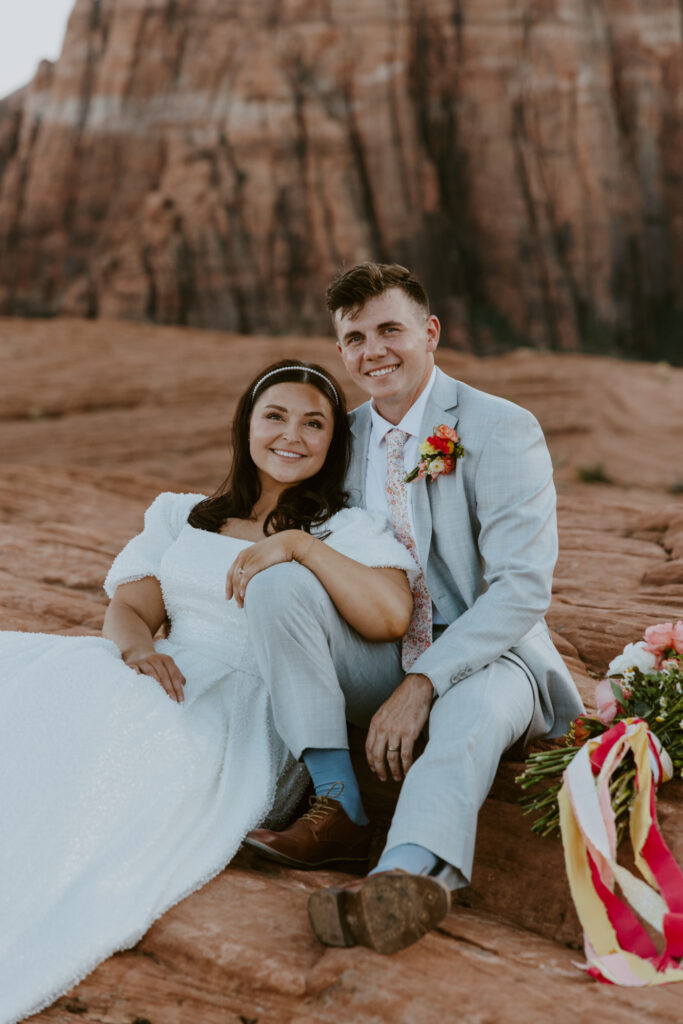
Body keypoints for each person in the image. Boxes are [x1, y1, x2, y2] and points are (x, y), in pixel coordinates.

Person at [0, 359, 416, 1024]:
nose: (292, 435)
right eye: (275, 416)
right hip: (158, 668)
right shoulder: (180, 514)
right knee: (42, 707)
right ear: (246, 425)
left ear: (333, 442)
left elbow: (390, 617)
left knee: (136, 768)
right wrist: (137, 650)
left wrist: (303, 550)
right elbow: (131, 608)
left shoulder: (346, 528)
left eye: (314, 424)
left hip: (246, 703)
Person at [244, 264, 585, 954]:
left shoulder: (500, 428)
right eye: (355, 337)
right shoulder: (338, 438)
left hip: (490, 655)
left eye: (389, 329)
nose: (374, 350)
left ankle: (401, 878)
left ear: (428, 333)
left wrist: (425, 682)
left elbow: (520, 589)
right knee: (279, 583)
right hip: (377, 648)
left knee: (469, 716)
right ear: (340, 352)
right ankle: (337, 807)